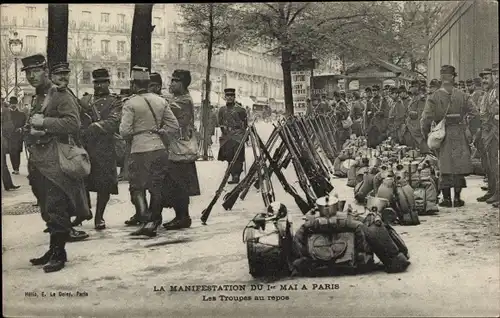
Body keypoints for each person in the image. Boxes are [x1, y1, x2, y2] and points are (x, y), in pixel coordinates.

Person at [23, 56, 91, 272]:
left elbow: (73, 123)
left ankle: (59, 253)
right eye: (27, 72)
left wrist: (44, 123)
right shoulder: (38, 96)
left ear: (45, 70)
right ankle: (53, 249)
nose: (31, 76)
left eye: (35, 71)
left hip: (55, 159)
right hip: (39, 160)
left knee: (56, 206)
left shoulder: (60, 95)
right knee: (46, 206)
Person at [120, 66, 179, 236]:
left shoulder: (130, 103)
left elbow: (124, 131)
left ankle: (145, 220)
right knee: (156, 187)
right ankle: (154, 220)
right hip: (159, 148)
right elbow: (173, 126)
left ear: (133, 83)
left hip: (139, 150)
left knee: (137, 187)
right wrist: (160, 132)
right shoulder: (161, 101)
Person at [421, 65, 478, 208]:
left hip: (442, 133)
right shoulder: (463, 95)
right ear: (454, 77)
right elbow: (475, 114)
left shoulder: (434, 97)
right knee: (458, 166)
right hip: (459, 131)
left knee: (444, 165)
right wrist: (470, 129)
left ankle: (446, 199)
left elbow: (425, 119)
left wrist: (427, 134)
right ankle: (457, 199)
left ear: (441, 78)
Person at [77, 68, 123, 230]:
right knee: (82, 181)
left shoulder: (115, 101)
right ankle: (85, 211)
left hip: (105, 148)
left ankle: (99, 217)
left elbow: (113, 122)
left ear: (108, 82)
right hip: (86, 147)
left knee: (104, 185)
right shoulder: (85, 100)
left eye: (102, 82)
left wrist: (94, 127)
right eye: (96, 82)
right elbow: (77, 120)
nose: (99, 85)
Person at [161, 69, 201, 231]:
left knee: (180, 185)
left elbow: (179, 124)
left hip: (180, 148)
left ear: (183, 84)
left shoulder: (184, 101)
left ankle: (183, 217)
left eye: (176, 81)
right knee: (176, 184)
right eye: (172, 80)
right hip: (176, 148)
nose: (172, 83)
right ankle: (180, 216)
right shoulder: (177, 99)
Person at [477, 66, 499, 205]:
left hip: (494, 131)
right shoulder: (487, 93)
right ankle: (492, 191)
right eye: (483, 78)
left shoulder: (495, 92)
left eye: (487, 77)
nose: (484, 81)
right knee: (489, 164)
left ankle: (497, 193)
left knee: (496, 164)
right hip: (486, 132)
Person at [217, 88, 248, 184]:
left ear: (234, 97)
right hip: (227, 136)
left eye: (231, 96)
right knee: (229, 156)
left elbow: (245, 123)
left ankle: (236, 176)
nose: (229, 98)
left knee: (238, 156)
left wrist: (244, 135)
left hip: (238, 135)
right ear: (225, 97)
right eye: (228, 96)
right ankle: (231, 173)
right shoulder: (222, 110)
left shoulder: (240, 109)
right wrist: (224, 132)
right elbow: (220, 123)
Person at [401, 85, 430, 154]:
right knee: (414, 148)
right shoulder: (413, 98)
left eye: (412, 86)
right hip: (411, 126)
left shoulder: (421, 99)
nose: (410, 88)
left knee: (422, 145)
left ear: (417, 89)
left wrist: (410, 114)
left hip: (417, 126)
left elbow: (420, 114)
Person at [7, 97, 26, 175]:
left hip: (18, 136)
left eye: (14, 104)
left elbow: (25, 125)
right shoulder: (7, 114)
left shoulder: (22, 114)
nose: (13, 105)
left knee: (17, 152)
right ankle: (14, 168)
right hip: (10, 136)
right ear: (10, 104)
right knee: (11, 152)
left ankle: (16, 168)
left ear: (17, 104)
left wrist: (21, 129)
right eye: (11, 104)